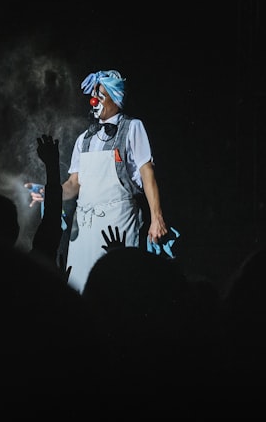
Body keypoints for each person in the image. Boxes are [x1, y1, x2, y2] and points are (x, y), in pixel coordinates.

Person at [27, 69, 169, 293]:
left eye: (100, 95)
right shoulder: (84, 139)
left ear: (115, 98)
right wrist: (48, 192)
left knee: (116, 285)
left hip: (117, 222)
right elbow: (73, 185)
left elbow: (147, 173)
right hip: (83, 229)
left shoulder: (133, 128)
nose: (93, 101)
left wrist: (156, 218)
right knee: (79, 286)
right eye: (93, 95)